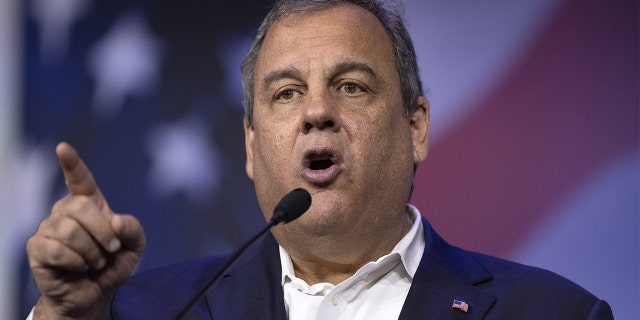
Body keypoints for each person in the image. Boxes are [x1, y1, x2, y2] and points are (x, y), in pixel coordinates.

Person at [25, 0, 614, 319]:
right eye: (286, 94)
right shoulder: (146, 313)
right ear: (252, 149)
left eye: (352, 86)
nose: (317, 113)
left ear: (415, 128)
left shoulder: (556, 313)